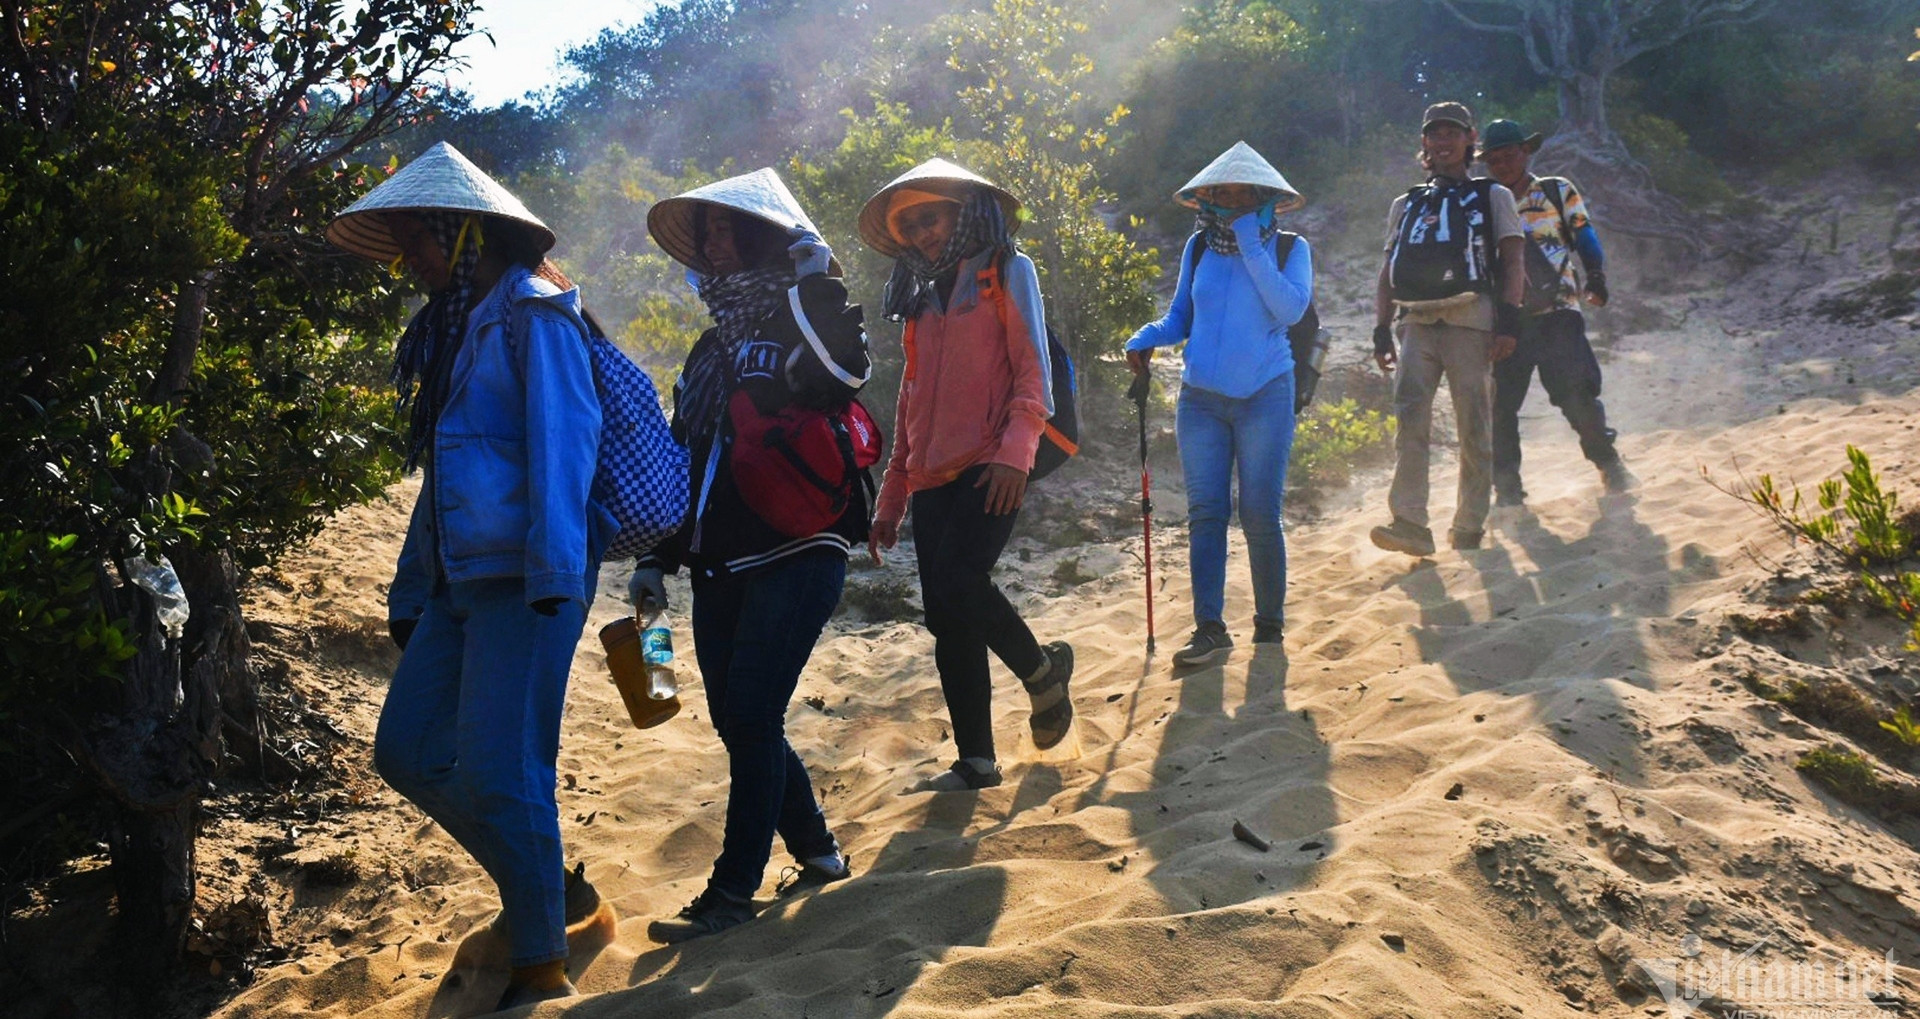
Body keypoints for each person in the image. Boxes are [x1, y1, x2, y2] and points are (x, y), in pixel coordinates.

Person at [327, 141, 614, 1010]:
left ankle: (538, 965)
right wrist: (414, 589)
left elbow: (566, 446)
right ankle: (554, 894)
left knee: (502, 766)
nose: (409, 259)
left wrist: (555, 571)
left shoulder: (535, 312)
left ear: (461, 233)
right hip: (460, 580)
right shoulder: (458, 326)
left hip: (529, 578)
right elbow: (444, 475)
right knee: (407, 751)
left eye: (419, 238)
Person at [633, 168, 866, 942]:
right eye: (710, 235)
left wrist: (815, 281)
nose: (718, 245)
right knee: (741, 721)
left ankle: (733, 891)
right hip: (720, 560)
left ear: (766, 237)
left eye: (731, 229)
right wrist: (655, 562)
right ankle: (820, 853)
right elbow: (686, 458)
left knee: (754, 714)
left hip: (802, 548)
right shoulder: (710, 348)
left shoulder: (804, 315)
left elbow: (845, 371)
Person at [858, 158, 1074, 792]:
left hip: (991, 460)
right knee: (945, 616)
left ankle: (1041, 676)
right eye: (913, 225)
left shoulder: (1010, 270)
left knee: (959, 578)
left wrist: (1016, 450)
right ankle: (977, 761)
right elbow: (911, 398)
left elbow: (1032, 368)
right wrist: (892, 494)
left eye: (933, 217)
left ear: (962, 213)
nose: (924, 232)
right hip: (929, 473)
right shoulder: (919, 293)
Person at [1123, 141, 1312, 667]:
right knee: (1206, 513)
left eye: (1243, 194)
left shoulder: (1290, 249)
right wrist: (1145, 337)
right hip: (1200, 398)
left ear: (1264, 197)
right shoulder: (1199, 248)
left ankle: (1269, 630)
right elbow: (1180, 317)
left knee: (1258, 513)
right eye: (1222, 194)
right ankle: (1210, 629)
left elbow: (1291, 310)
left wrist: (1252, 242)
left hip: (1266, 394)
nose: (1231, 202)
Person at [1370, 101, 1526, 557]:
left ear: (1468, 139)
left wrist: (1509, 321)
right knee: (1410, 419)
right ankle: (1410, 522)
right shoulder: (1407, 203)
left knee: (1473, 426)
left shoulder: (1493, 195)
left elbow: (1513, 259)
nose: (1442, 142)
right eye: (1434, 134)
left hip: (1471, 321)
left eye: (1451, 133)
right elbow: (1388, 268)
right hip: (1416, 322)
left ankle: (1469, 525)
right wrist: (1382, 328)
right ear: (1425, 142)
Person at [1477, 118, 1635, 503]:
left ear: (1526, 152)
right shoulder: (1481, 203)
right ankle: (1508, 490)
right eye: (1494, 159)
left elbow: (1584, 234)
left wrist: (1595, 274)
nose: (1502, 165)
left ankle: (1607, 463)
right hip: (1505, 322)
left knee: (1576, 394)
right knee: (1499, 408)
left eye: (1509, 155)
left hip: (1559, 311)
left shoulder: (1556, 190)